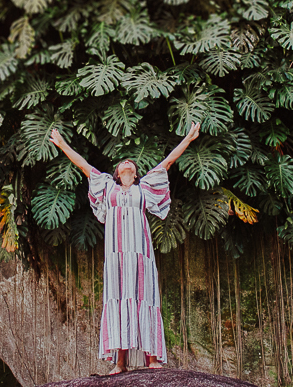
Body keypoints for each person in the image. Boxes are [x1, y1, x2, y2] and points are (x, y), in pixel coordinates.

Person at [48, 123, 201, 374]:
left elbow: (168, 162)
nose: (127, 162)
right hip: (117, 254)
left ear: (136, 172)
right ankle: (120, 362)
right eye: (122, 163)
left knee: (145, 298)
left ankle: (152, 359)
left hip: (141, 254)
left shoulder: (144, 188)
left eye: (131, 162)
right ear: (117, 173)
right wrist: (63, 144)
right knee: (118, 298)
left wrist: (188, 138)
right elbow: (84, 166)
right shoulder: (108, 187)